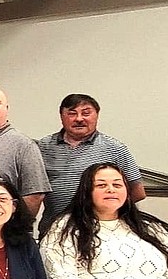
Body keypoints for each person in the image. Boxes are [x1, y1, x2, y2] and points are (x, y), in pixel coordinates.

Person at [40, 163, 168, 279]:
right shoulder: (65, 228)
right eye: (101, 185)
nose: (111, 189)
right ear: (87, 192)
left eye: (117, 185)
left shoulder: (153, 228)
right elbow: (60, 275)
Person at [37, 94, 144, 234]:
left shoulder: (115, 148)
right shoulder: (44, 146)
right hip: (53, 230)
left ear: (97, 115)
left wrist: (105, 209)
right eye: (72, 113)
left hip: (100, 232)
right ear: (61, 117)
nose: (79, 119)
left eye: (86, 113)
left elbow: (138, 191)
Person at [0, 87, 50, 219]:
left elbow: (34, 194)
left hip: (6, 232)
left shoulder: (23, 145)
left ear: (6, 109)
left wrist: (15, 227)